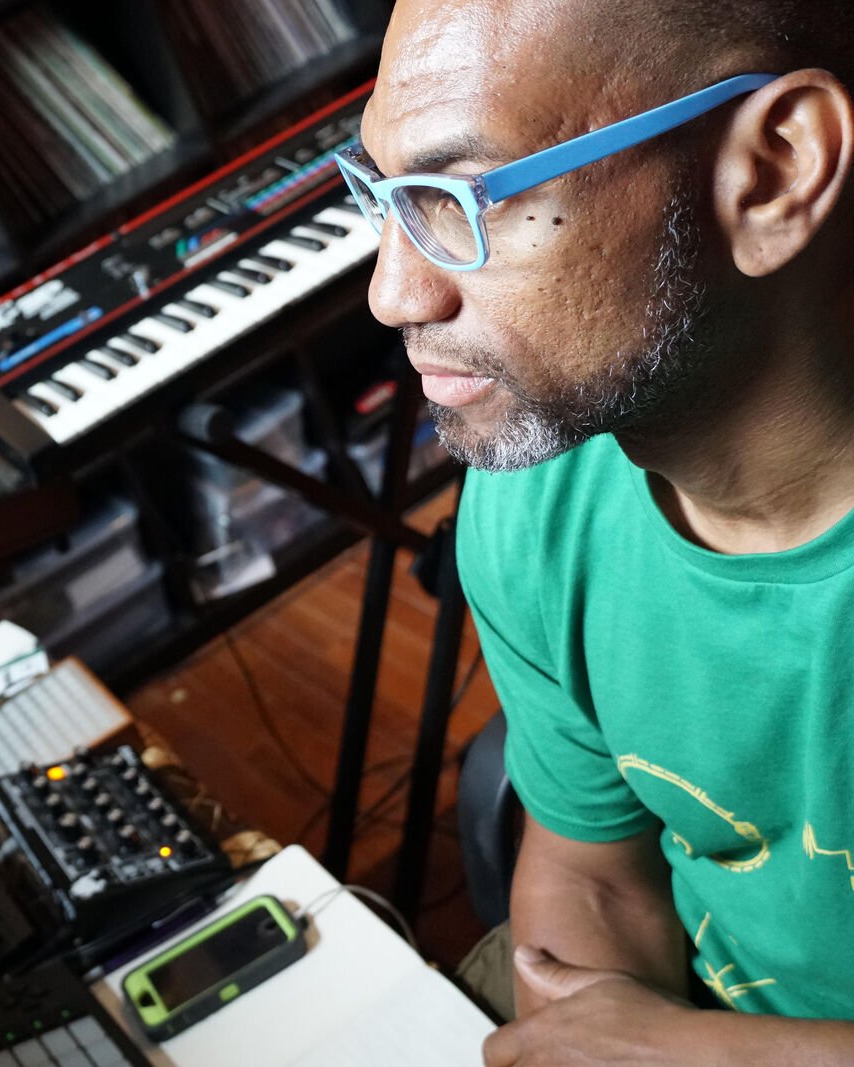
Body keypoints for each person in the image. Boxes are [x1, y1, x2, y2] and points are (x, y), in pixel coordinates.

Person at [341, 0, 854, 1062]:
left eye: (461, 195)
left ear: (773, 170)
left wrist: (703, 1056)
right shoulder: (534, 506)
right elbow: (590, 869)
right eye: (381, 196)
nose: (394, 291)